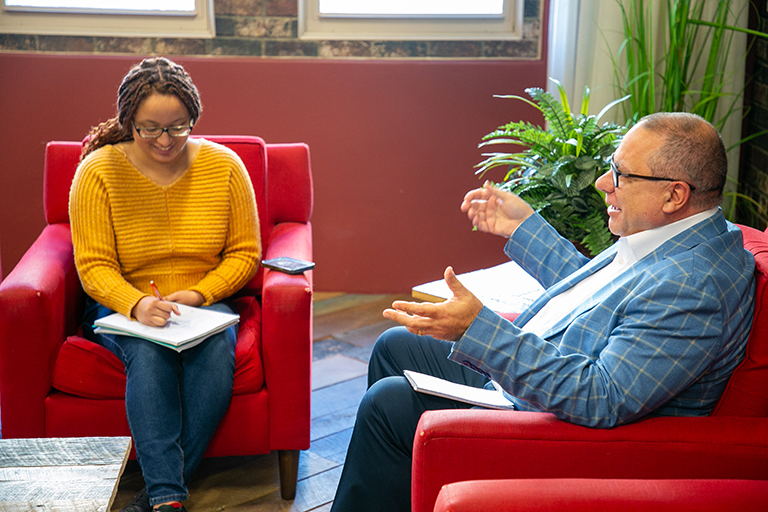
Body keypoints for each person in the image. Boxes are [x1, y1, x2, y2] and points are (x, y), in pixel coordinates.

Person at [330, 112, 756, 512]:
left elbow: (600, 397)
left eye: (622, 175)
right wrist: (523, 227)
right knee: (396, 346)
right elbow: (603, 300)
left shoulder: (692, 286)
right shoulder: (683, 235)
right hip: (553, 369)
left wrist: (480, 328)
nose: (604, 183)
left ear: (674, 194)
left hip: (569, 427)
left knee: (389, 405)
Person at [69, 57, 261, 512]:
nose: (165, 141)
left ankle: (161, 493)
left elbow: (245, 253)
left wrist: (198, 295)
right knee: (150, 354)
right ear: (128, 121)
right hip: (123, 303)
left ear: (193, 118)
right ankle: (169, 498)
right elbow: (93, 265)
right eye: (149, 128)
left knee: (215, 353)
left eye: (179, 127)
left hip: (204, 301)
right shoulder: (97, 172)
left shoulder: (226, 167)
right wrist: (135, 305)